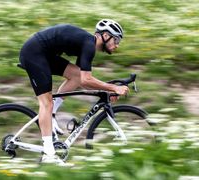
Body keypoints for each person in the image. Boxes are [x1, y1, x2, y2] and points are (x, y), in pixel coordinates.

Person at [19, 19, 129, 165]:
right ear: (105, 36)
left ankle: (51, 115)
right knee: (46, 103)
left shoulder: (87, 46)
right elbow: (87, 80)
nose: (116, 45)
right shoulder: (89, 45)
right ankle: (48, 154)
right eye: (115, 40)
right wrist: (114, 88)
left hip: (43, 54)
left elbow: (82, 80)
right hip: (34, 53)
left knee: (76, 75)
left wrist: (108, 89)